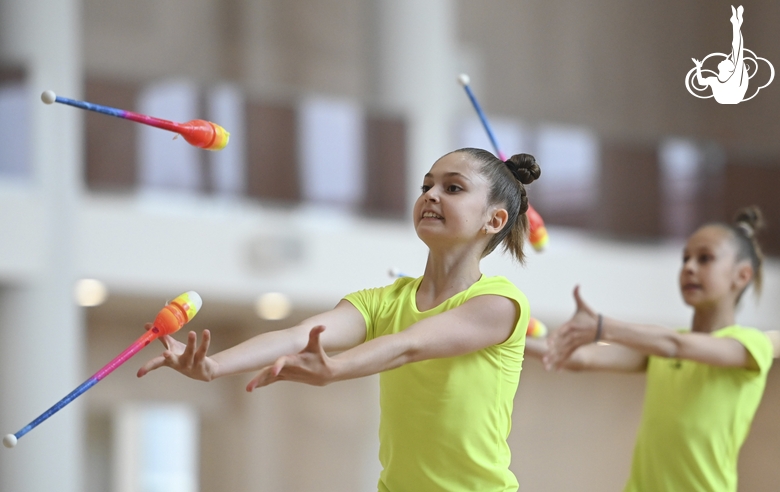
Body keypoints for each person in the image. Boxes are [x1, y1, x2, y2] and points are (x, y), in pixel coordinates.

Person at [138, 147, 541, 491]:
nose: (431, 195)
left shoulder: (499, 303)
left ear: (495, 220)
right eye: (426, 186)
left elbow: (409, 345)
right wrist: (213, 366)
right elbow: (300, 335)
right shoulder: (383, 302)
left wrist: (336, 368)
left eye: (452, 188)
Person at [540, 206, 780, 492]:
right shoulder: (662, 347)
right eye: (685, 259)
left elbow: (674, 346)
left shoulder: (750, 345)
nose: (689, 267)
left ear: (741, 276)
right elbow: (578, 357)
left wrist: (603, 326)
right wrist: (507, 336)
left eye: (705, 258)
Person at [692, 5, 749, 104]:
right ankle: (736, 24)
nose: (725, 59)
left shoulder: (724, 79)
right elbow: (701, 82)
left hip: (731, 96)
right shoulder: (716, 80)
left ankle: (736, 24)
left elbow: (737, 50)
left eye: (727, 61)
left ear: (729, 70)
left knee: (737, 51)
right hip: (731, 97)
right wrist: (698, 67)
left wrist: (698, 67)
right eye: (728, 61)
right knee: (737, 52)